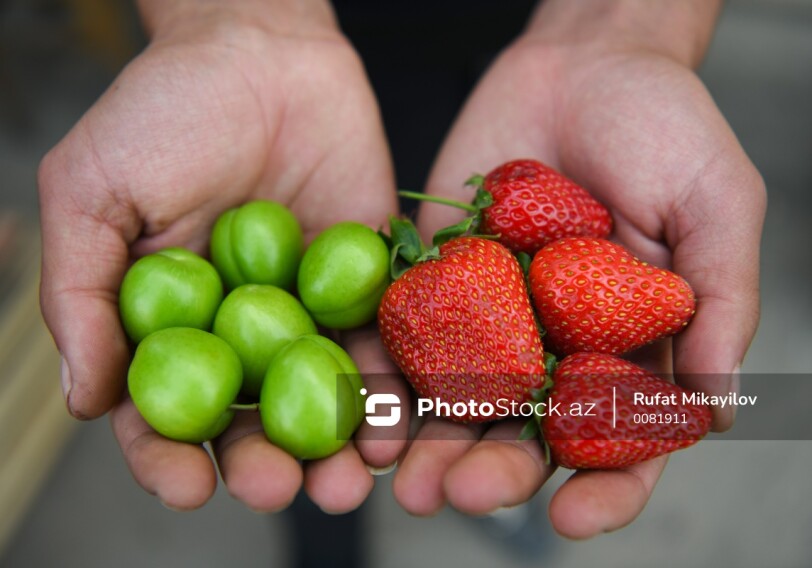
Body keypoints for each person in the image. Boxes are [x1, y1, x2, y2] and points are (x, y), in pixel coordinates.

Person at [37, 0, 765, 540]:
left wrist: (624, 30)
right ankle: (333, 536)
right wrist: (228, 19)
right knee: (329, 447)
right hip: (306, 58)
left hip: (532, 36)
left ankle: (461, 490)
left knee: (393, 395)